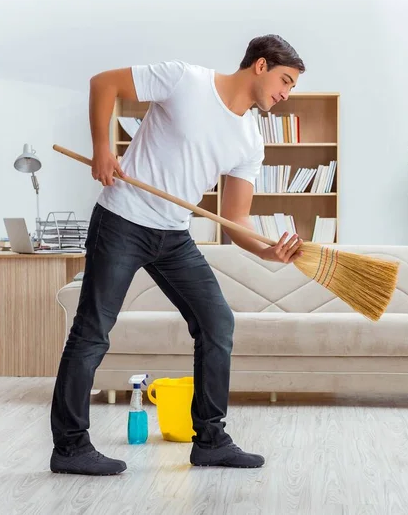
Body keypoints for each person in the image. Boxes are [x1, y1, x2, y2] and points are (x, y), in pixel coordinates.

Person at [49, 34, 306, 475]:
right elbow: (103, 83)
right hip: (123, 220)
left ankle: (210, 440)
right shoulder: (186, 80)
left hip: (174, 236)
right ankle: (70, 448)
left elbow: (236, 220)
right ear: (260, 66)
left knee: (217, 321)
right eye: (285, 80)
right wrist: (103, 149)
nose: (285, 94)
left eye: (292, 87)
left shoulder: (250, 141)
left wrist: (269, 252)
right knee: (93, 330)